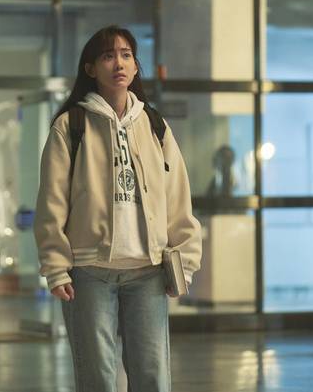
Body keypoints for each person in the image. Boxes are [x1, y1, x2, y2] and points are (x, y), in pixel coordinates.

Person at [34, 25, 202, 392]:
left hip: (148, 271)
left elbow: (178, 198)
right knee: (98, 378)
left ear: (136, 66)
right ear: (91, 68)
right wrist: (56, 267)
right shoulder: (71, 126)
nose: (119, 63)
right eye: (108, 56)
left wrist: (185, 262)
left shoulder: (155, 125)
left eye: (126, 55)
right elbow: (51, 203)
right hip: (89, 272)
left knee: (153, 377)